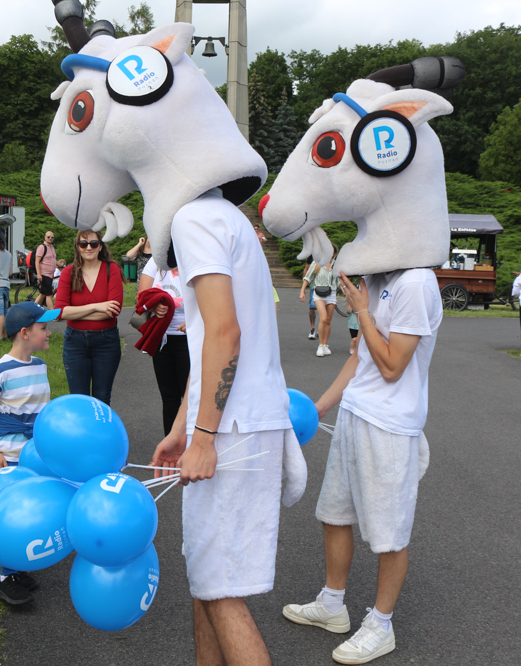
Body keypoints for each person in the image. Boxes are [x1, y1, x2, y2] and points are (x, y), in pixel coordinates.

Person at [150, 189, 305, 666]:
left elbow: (224, 333)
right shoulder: (224, 216)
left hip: (234, 427)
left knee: (220, 592)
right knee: (207, 580)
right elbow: (208, 346)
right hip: (242, 420)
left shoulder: (193, 218)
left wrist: (204, 439)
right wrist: (182, 428)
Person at [282, 266, 442, 665]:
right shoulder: (379, 278)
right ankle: (333, 605)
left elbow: (391, 366)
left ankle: (381, 625)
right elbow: (360, 361)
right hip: (354, 415)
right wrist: (316, 410)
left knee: (390, 533)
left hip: (390, 426)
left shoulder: (416, 283)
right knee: (334, 515)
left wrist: (363, 312)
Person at [0, 301, 58, 605]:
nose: (49, 333)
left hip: (35, 454)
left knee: (30, 508)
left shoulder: (39, 365)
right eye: (43, 328)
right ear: (24, 332)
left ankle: (17, 568)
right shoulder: (0, 371)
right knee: (12, 512)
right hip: (8, 454)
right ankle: (6, 578)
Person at [54, 230, 124, 405]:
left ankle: (102, 433)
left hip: (106, 341)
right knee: (79, 400)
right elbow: (60, 312)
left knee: (102, 397)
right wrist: (97, 306)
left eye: (93, 243)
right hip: (75, 342)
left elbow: (113, 311)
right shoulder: (69, 272)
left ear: (100, 246)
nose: (88, 248)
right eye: (83, 244)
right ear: (77, 247)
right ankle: (82, 434)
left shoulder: (111, 268)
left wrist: (76, 312)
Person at [138, 256, 189, 435]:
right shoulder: (156, 261)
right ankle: (170, 445)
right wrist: (154, 306)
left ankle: (192, 446)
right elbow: (142, 297)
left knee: (190, 397)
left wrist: (194, 320)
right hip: (163, 339)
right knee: (169, 398)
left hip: (189, 339)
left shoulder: (193, 257)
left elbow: (211, 298)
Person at [302, 247, 341, 357]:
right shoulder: (316, 263)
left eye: (332, 251)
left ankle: (325, 345)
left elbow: (340, 280)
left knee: (328, 321)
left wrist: (347, 290)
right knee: (323, 319)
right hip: (318, 293)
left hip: (331, 293)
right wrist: (302, 291)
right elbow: (307, 278)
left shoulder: (336, 264)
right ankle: (320, 345)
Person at [33, 231, 57, 309]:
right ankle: (53, 314)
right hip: (44, 274)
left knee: (42, 294)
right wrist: (39, 274)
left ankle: (32, 310)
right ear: (45, 237)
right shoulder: (42, 247)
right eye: (48, 237)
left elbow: (53, 260)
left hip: (50, 275)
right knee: (49, 295)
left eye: (52, 237)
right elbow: (37, 261)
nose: (50, 238)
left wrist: (62, 265)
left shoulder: (52, 247)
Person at [303, 261, 319, 340]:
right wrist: (304, 286)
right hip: (314, 286)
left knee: (325, 309)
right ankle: (313, 328)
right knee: (312, 307)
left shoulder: (330, 256)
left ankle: (321, 328)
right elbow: (306, 269)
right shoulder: (312, 256)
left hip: (327, 288)